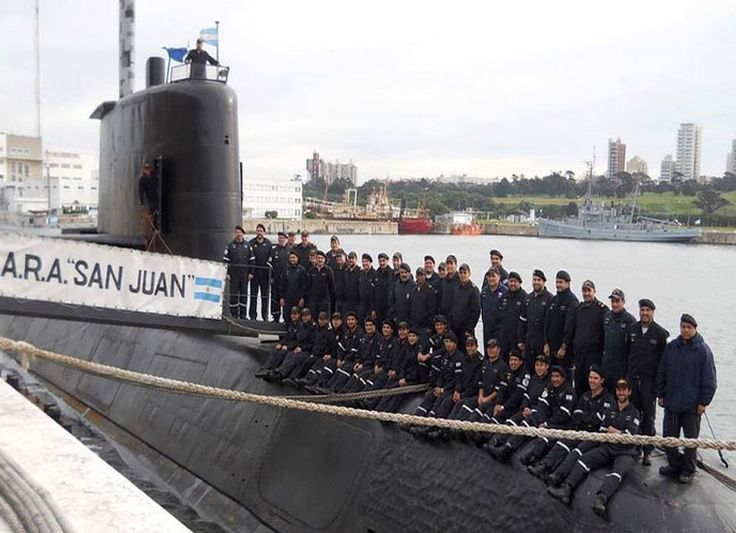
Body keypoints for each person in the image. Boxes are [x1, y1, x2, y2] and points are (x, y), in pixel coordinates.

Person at [547, 378, 641, 519]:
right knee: (584, 459)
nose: (621, 393)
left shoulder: (634, 412)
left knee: (617, 472)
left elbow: (630, 435)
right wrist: (617, 432)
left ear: (629, 392)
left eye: (624, 390)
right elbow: (603, 429)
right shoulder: (611, 410)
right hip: (607, 447)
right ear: (616, 391)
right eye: (619, 390)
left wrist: (614, 431)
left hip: (624, 452)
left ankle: (601, 499)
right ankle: (567, 488)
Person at [656, 313, 717, 484]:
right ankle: (674, 465)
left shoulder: (703, 351)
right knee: (669, 439)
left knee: (690, 440)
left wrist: (704, 402)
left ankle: (689, 469)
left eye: (689, 328)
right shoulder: (672, 348)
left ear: (695, 329)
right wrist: (660, 394)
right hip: (673, 403)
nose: (685, 330)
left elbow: (710, 379)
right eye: (683, 327)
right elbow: (662, 371)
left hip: (692, 406)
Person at [528, 365, 612, 481]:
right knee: (563, 443)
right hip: (579, 430)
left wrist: (585, 417)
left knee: (577, 452)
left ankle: (559, 476)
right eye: (590, 377)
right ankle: (545, 466)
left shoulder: (607, 400)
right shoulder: (585, 396)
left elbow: (599, 420)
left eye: (595, 378)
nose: (592, 381)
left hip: (594, 435)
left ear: (602, 380)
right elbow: (577, 415)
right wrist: (588, 417)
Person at [626, 298, 669, 465]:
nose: (644, 313)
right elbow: (627, 355)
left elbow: (663, 363)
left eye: (647, 310)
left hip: (649, 382)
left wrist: (660, 388)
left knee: (649, 416)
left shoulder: (660, 334)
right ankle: (635, 446)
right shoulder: (632, 330)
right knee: (634, 414)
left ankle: (647, 451)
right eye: (642, 310)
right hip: (633, 380)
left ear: (653, 312)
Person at [569, 280, 608, 397]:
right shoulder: (579, 309)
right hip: (579, 355)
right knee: (579, 385)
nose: (586, 293)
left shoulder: (602, 310)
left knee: (592, 385)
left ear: (594, 292)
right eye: (584, 291)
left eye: (589, 291)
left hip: (593, 355)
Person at [456, 338, 509, 423]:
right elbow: (480, 382)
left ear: (498, 349)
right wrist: (481, 396)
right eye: (488, 348)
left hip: (492, 399)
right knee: (463, 405)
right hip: (482, 396)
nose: (490, 350)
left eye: (493, 348)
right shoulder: (485, 363)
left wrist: (486, 399)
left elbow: (499, 389)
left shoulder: (503, 367)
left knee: (473, 418)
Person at [519, 269, 553, 374]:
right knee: (529, 369)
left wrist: (547, 343)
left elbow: (550, 324)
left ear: (543, 282)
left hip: (542, 343)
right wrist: (520, 340)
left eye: (539, 280)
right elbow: (522, 321)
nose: (536, 282)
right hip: (529, 342)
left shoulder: (550, 298)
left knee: (542, 371)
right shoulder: (528, 299)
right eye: (534, 280)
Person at [601, 289, 636, 390]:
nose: (614, 304)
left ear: (623, 302)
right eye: (612, 301)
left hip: (621, 368)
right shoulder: (607, 317)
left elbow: (632, 348)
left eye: (617, 301)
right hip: (606, 366)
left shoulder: (630, 320)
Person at [543, 270, 578, 371]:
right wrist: (546, 343)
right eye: (557, 282)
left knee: (563, 376)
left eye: (561, 282)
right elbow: (547, 322)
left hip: (563, 351)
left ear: (567, 283)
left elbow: (570, 327)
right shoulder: (554, 299)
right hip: (551, 348)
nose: (558, 285)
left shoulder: (572, 301)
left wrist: (564, 347)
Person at [494, 271, 527, 362]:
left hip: (517, 339)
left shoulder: (525, 297)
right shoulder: (504, 296)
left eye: (515, 282)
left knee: (517, 362)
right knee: (503, 361)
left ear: (520, 283)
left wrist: (522, 340)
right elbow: (498, 316)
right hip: (504, 338)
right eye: (511, 281)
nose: (512, 284)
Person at [223, 226, 251, 319]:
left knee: (244, 294)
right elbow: (225, 261)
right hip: (233, 275)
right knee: (234, 295)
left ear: (243, 234)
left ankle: (243, 315)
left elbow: (252, 260)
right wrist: (227, 273)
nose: (238, 234)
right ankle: (234, 314)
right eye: (237, 232)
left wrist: (251, 273)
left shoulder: (247, 246)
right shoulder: (230, 245)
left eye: (240, 232)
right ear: (235, 234)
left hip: (244, 274)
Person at [449, 263, 481, 344]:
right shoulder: (456, 288)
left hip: (466, 330)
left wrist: (469, 329)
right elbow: (452, 307)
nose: (462, 275)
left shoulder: (473, 290)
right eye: (461, 273)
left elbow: (476, 312)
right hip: (455, 328)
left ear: (469, 274)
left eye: (465, 273)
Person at [248, 224, 272, 321]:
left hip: (265, 275)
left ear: (264, 232)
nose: (259, 233)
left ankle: (265, 316)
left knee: (264, 297)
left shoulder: (268, 244)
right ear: (256, 232)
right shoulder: (251, 243)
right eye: (258, 231)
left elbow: (271, 260)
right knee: (253, 296)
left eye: (261, 231)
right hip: (254, 274)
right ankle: (252, 316)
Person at [481, 267, 508, 349]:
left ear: (499, 276)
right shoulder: (484, 292)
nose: (491, 278)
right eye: (489, 276)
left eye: (493, 276)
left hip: (499, 331)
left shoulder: (505, 292)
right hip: (487, 329)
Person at [280, 250, 308, 324]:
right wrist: (282, 297)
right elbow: (282, 285)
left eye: (294, 257)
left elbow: (304, 286)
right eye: (291, 257)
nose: (292, 259)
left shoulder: (302, 270)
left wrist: (302, 298)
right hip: (287, 298)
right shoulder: (285, 270)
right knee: (287, 317)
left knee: (297, 318)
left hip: (298, 298)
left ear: (297, 258)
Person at [409, 268, 438, 337]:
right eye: (418, 275)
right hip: (414, 326)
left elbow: (432, 311)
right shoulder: (413, 290)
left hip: (424, 327)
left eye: (422, 275)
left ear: (425, 276)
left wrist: (430, 327)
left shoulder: (430, 291)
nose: (420, 277)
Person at [306, 251, 335, 316]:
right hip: (313, 300)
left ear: (324, 260)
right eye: (318, 258)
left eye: (322, 258)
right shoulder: (311, 270)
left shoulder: (329, 270)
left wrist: (327, 296)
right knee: (314, 318)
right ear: (316, 259)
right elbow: (309, 285)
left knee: (324, 318)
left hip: (324, 300)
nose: (320, 260)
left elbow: (332, 286)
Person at [269, 232, 290, 323]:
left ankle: (286, 317)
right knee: (275, 299)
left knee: (286, 299)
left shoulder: (290, 250)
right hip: (276, 279)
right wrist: (270, 277)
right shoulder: (274, 251)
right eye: (280, 238)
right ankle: (275, 317)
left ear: (286, 239)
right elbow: (269, 265)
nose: (281, 240)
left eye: (283, 238)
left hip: (287, 280)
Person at [372, 253, 393, 322]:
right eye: (380, 261)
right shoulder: (376, 274)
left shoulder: (391, 274)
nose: (382, 263)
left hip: (388, 308)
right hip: (378, 308)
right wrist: (373, 309)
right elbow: (374, 292)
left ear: (387, 261)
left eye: (383, 261)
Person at [358, 253, 377, 320]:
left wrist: (374, 309)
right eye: (363, 261)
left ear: (370, 262)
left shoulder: (375, 274)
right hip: (362, 304)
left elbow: (376, 293)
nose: (364, 263)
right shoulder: (361, 273)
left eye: (366, 261)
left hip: (371, 305)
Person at [342, 252, 362, 318]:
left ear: (356, 259)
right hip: (347, 302)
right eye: (349, 258)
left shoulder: (360, 271)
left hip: (357, 302)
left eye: (352, 258)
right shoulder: (346, 271)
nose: (350, 260)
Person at [333, 250, 348, 315]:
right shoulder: (335, 269)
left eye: (340, 256)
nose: (339, 258)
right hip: (337, 299)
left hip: (346, 300)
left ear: (345, 257)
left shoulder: (348, 269)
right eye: (337, 257)